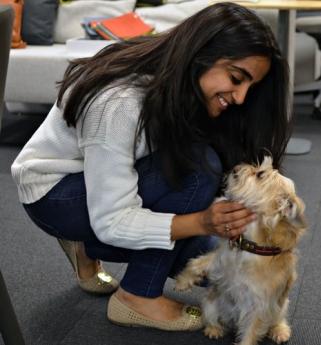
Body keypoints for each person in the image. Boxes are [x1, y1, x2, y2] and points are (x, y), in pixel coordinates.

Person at [11, 2, 292, 332]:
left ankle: (87, 245)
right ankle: (136, 296)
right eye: (236, 78)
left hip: (105, 185)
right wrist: (201, 220)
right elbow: (114, 219)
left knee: (221, 259)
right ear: (201, 54)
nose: (242, 97)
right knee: (198, 168)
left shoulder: (185, 88)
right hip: (56, 195)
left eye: (251, 87)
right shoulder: (119, 104)